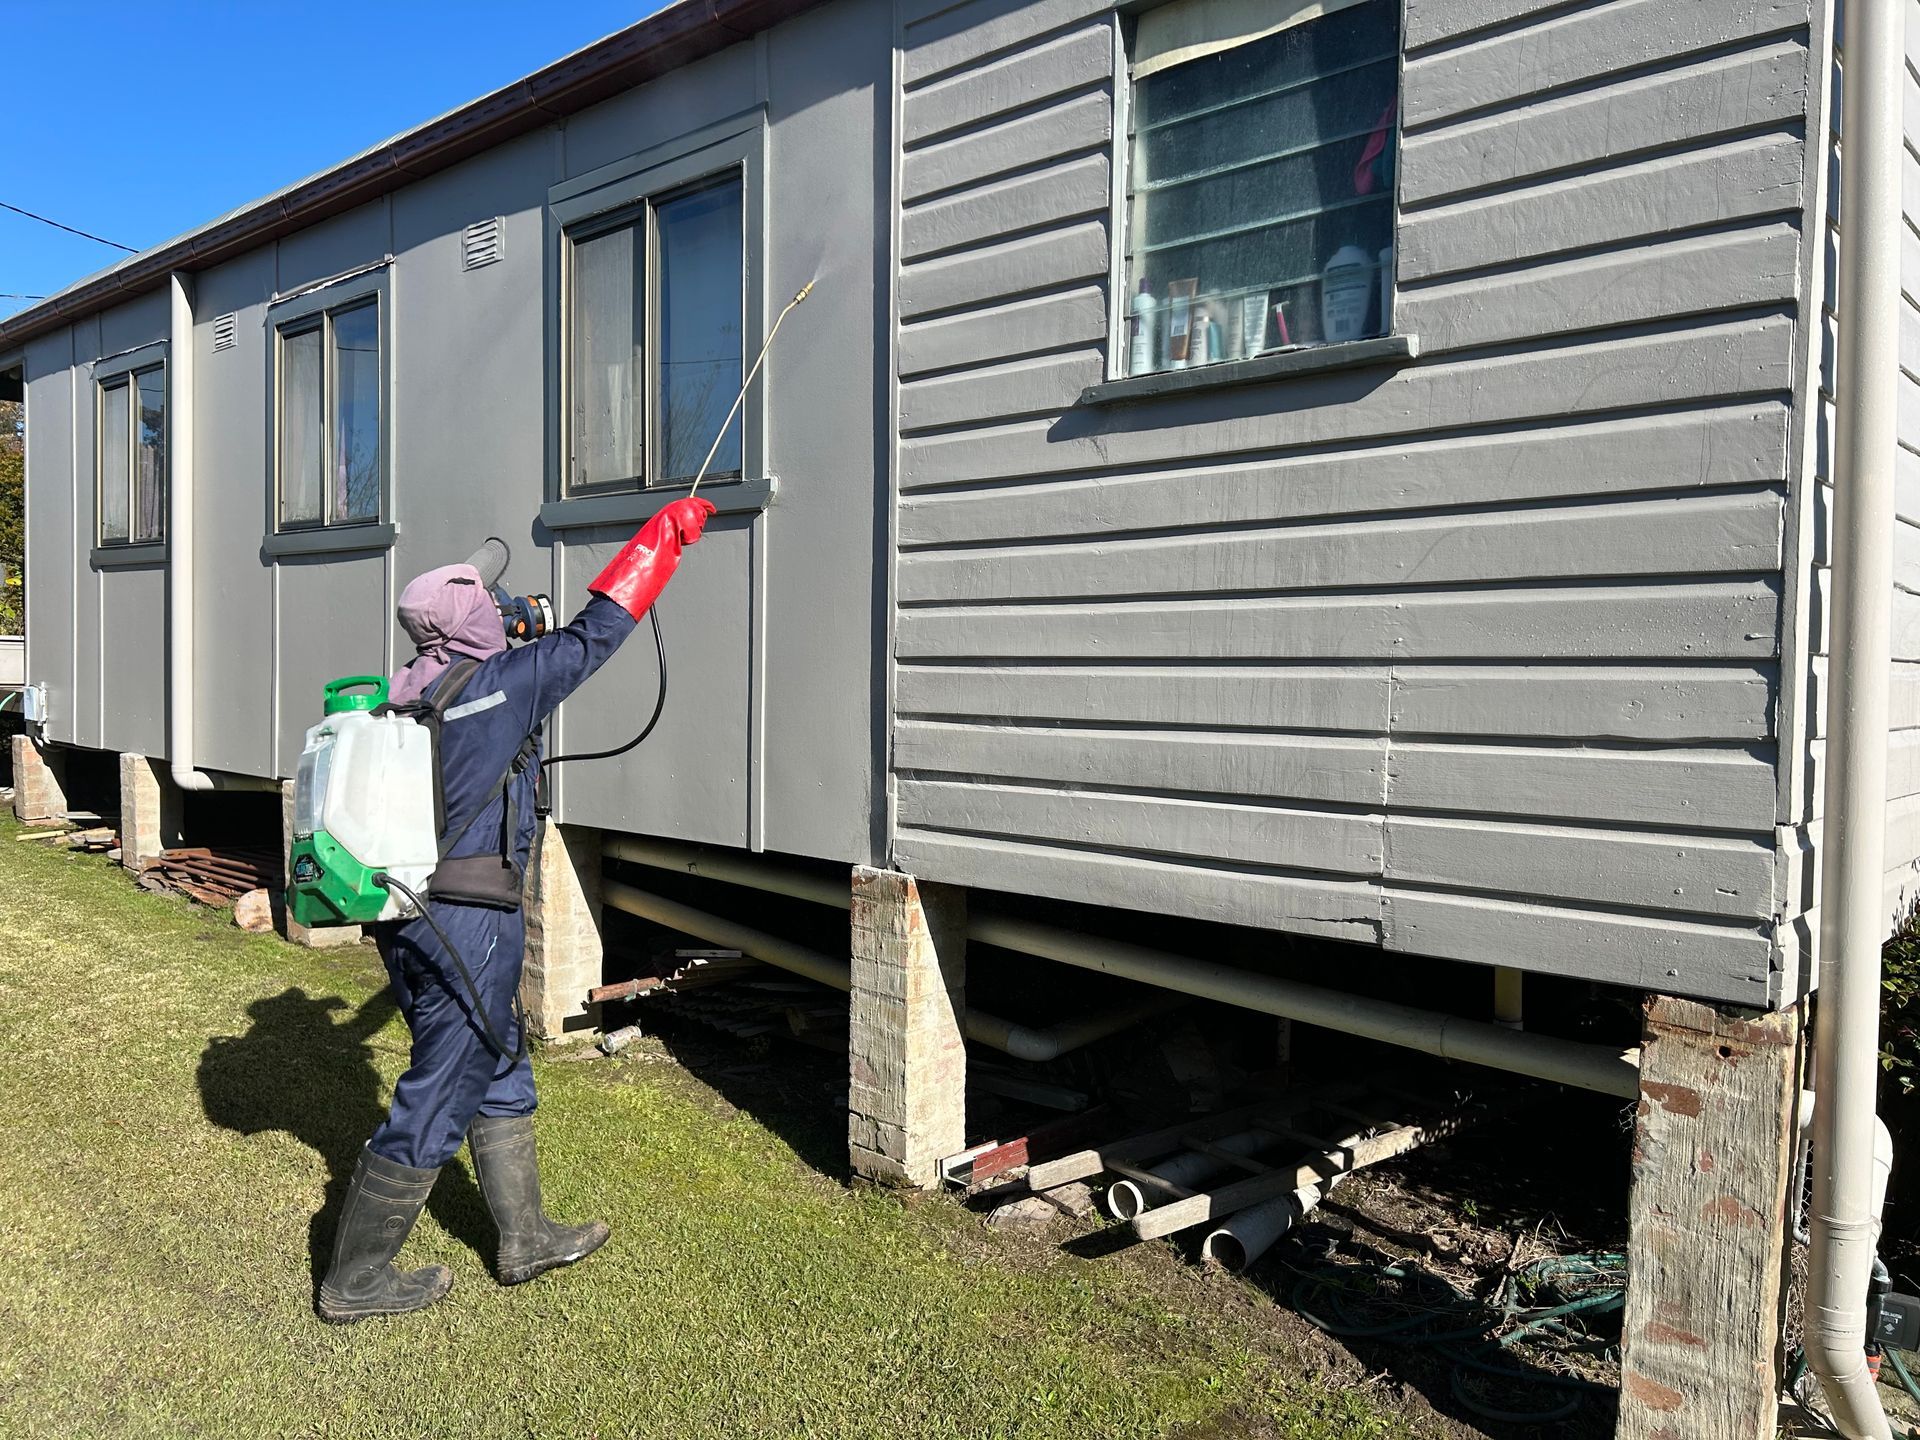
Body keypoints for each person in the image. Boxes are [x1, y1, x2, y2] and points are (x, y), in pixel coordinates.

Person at [316, 495, 716, 1324]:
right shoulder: (497, 684)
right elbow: (596, 633)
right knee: (441, 1085)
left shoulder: (409, 692)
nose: (509, 613)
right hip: (471, 915)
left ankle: (525, 1237)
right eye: (493, 606)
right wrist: (661, 540)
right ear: (474, 626)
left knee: (497, 1057)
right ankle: (355, 1280)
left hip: (408, 914)